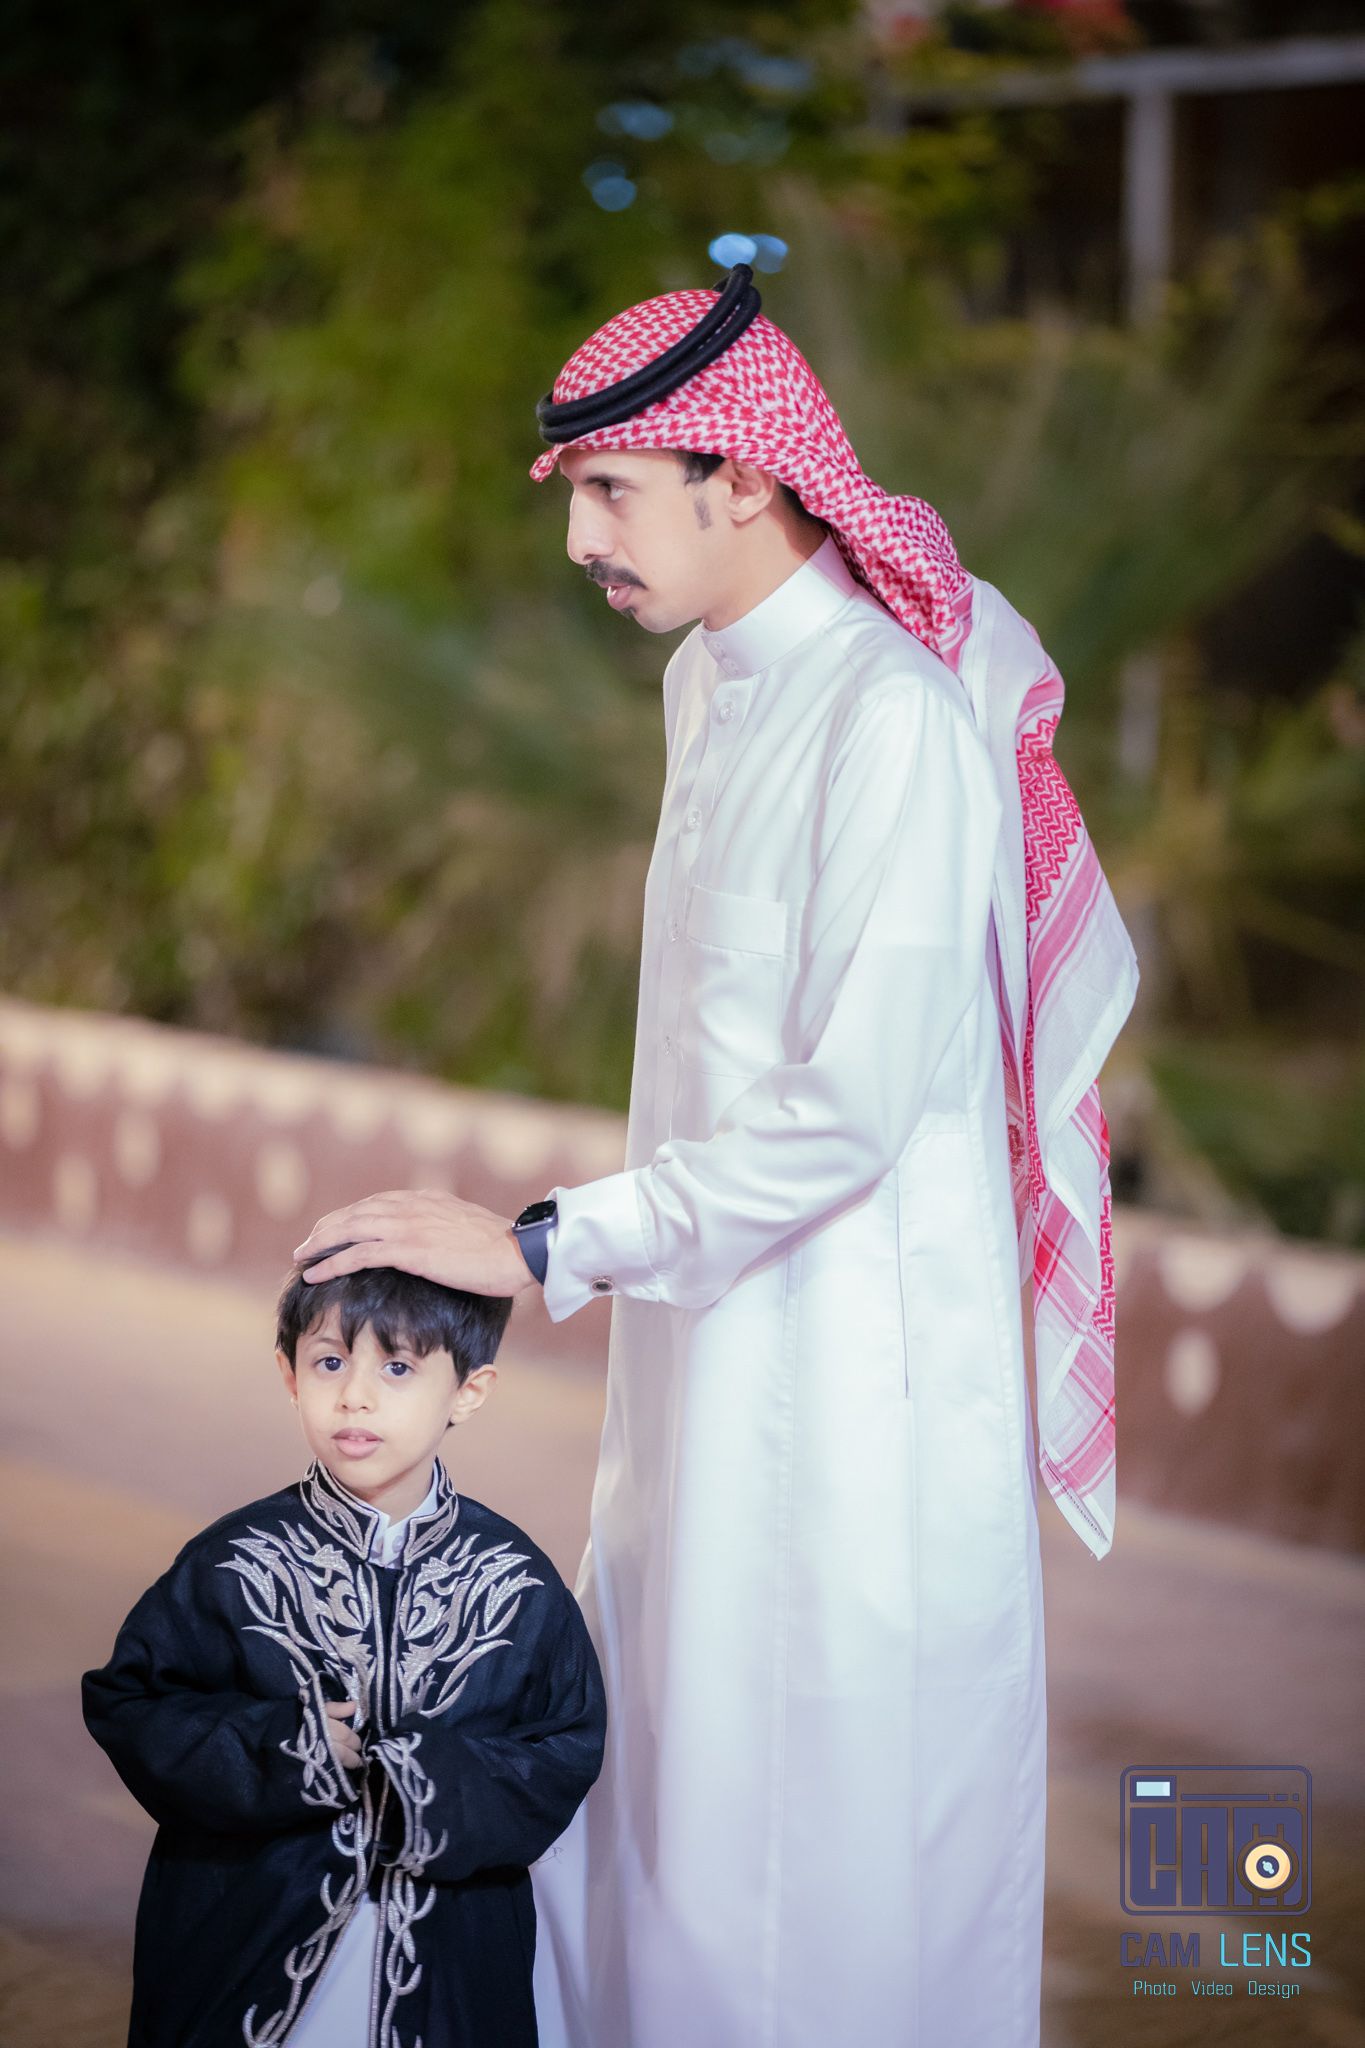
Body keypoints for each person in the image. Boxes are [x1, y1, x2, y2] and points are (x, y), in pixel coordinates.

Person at [293, 264, 1138, 2048]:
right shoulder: (707, 687)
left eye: (613, 489)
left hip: (854, 1402)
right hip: (699, 1359)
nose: (582, 539)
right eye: (574, 493)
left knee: (825, 1843)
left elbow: (854, 1103)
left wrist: (543, 1241)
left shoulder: (892, 718)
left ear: (744, 476)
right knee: (668, 1790)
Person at [82, 1259, 606, 2048]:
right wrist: (282, 1748)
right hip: (247, 1936)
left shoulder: (516, 1580)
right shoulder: (235, 1560)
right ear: (288, 1375)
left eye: (397, 1368)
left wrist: (426, 1783)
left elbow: (564, 1748)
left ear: (469, 1390)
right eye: (329, 1363)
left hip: (449, 1956)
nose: (354, 1396)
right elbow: (133, 1703)